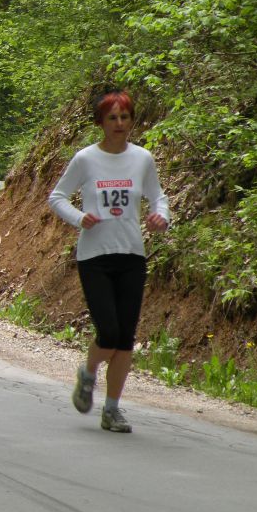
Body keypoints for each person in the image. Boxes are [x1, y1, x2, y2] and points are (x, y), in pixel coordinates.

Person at [48, 89, 170, 433]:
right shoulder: (86, 159)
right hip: (95, 257)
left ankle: (112, 409)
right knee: (110, 332)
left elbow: (158, 197)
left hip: (131, 254)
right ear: (100, 123)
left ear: (132, 121)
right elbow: (56, 196)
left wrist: (161, 217)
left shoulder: (142, 158)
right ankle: (88, 373)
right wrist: (78, 217)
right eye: (112, 118)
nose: (119, 124)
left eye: (125, 117)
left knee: (126, 339)